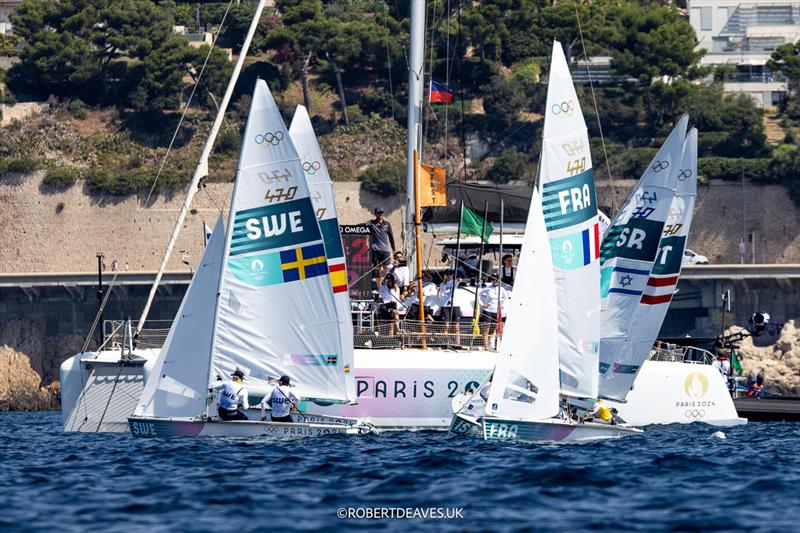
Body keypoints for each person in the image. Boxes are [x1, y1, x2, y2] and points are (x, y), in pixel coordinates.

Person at [479, 277, 511, 350]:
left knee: (493, 330)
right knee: (486, 329)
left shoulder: (502, 289)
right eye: (493, 280)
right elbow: (478, 294)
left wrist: (502, 306)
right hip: (488, 311)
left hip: (496, 312)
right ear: (491, 280)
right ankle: (486, 346)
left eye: (496, 280)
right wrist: (482, 304)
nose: (495, 281)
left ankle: (489, 343)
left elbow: (506, 298)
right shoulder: (487, 288)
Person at [367, 207, 396, 286]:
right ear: (375, 214)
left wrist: (394, 249)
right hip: (375, 250)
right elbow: (362, 225)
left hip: (385, 250)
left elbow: (391, 236)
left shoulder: (387, 224)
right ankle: (379, 287)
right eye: (379, 213)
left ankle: (387, 284)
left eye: (381, 213)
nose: (380, 215)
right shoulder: (371, 223)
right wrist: (353, 227)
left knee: (386, 267)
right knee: (378, 269)